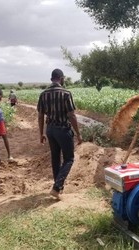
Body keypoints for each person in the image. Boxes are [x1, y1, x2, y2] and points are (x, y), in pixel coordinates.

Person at [37, 68, 83, 200]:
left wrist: (41, 133)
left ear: (52, 79)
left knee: (55, 158)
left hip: (50, 130)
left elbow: (40, 116)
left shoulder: (43, 94)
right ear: (61, 78)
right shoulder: (66, 93)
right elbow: (71, 115)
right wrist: (78, 134)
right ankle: (57, 187)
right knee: (69, 158)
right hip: (63, 129)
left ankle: (58, 188)